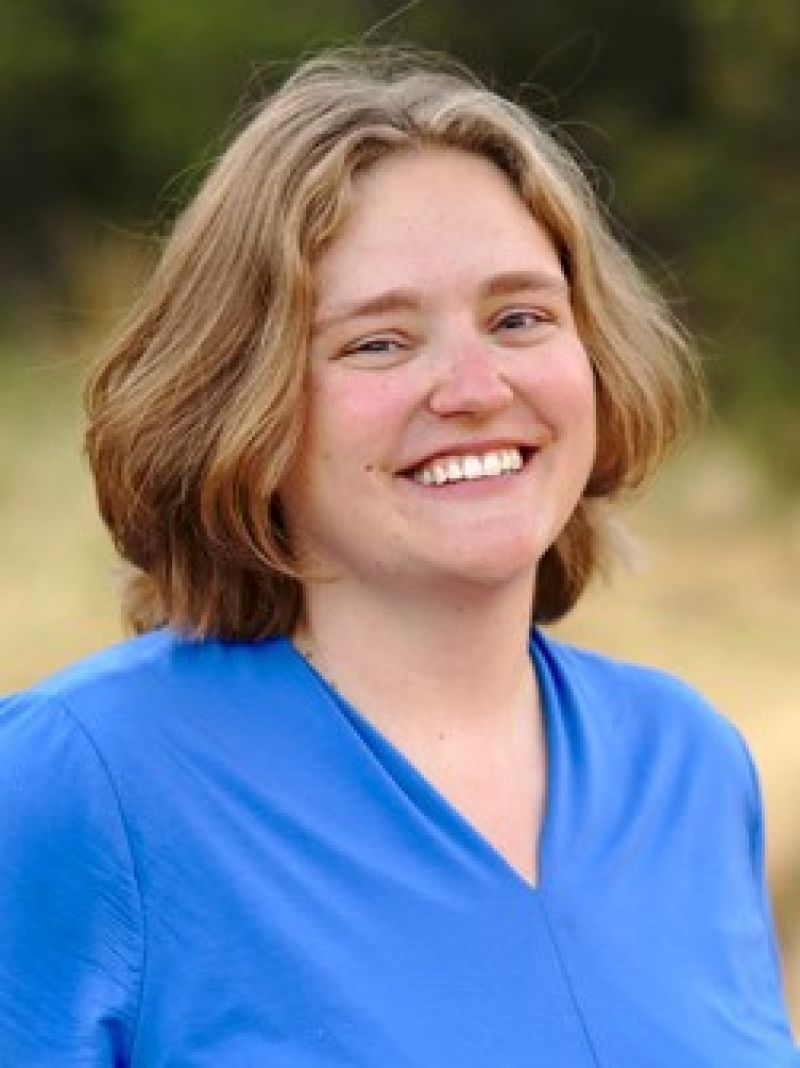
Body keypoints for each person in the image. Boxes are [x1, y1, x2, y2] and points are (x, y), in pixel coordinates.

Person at [0, 46, 796, 1067]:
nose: (471, 386)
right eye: (376, 342)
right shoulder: (75, 788)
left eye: (518, 318)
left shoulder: (685, 761)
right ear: (238, 402)